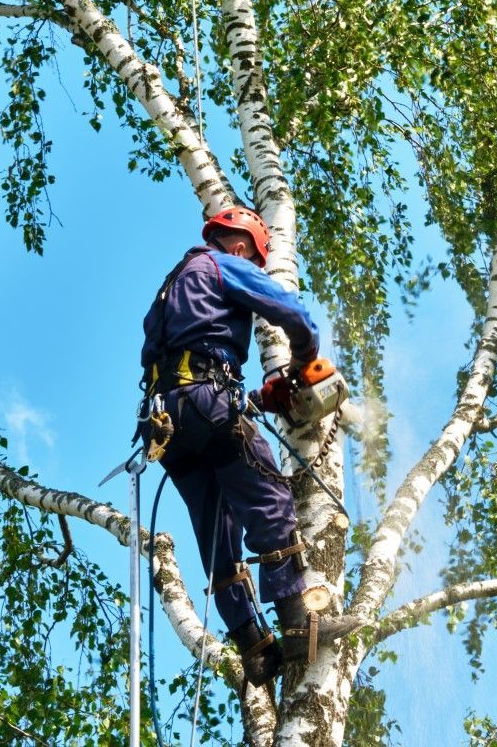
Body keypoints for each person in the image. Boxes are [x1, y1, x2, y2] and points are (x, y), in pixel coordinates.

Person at [138, 206, 358, 685]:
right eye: (255, 261)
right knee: (270, 501)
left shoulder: (171, 287)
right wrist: (303, 362)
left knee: (217, 531)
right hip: (205, 404)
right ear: (241, 246)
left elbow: (191, 367)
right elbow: (294, 313)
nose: (253, 268)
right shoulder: (221, 263)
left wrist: (261, 398)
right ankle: (299, 623)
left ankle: (254, 648)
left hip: (166, 426)